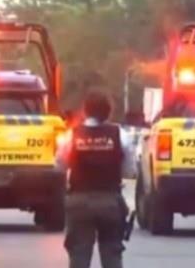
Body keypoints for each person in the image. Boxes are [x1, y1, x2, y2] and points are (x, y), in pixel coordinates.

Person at [56, 90, 135, 268]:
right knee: (112, 252)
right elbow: (130, 170)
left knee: (79, 253)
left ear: (85, 111)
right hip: (110, 201)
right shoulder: (120, 135)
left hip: (79, 201)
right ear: (108, 111)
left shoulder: (71, 135)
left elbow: (60, 165)